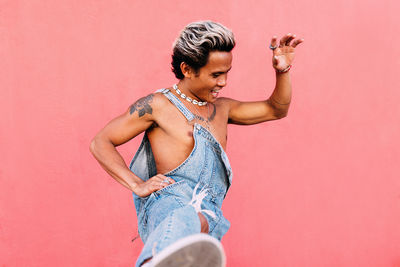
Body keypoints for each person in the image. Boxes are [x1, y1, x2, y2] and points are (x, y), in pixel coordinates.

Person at [89, 20, 303, 267]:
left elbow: (276, 109)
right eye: (215, 75)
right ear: (187, 69)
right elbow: (100, 142)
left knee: (202, 219)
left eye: (226, 73)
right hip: (169, 203)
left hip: (209, 216)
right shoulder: (158, 105)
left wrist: (282, 72)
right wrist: (136, 184)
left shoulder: (223, 109)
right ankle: (150, 262)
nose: (223, 82)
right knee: (186, 216)